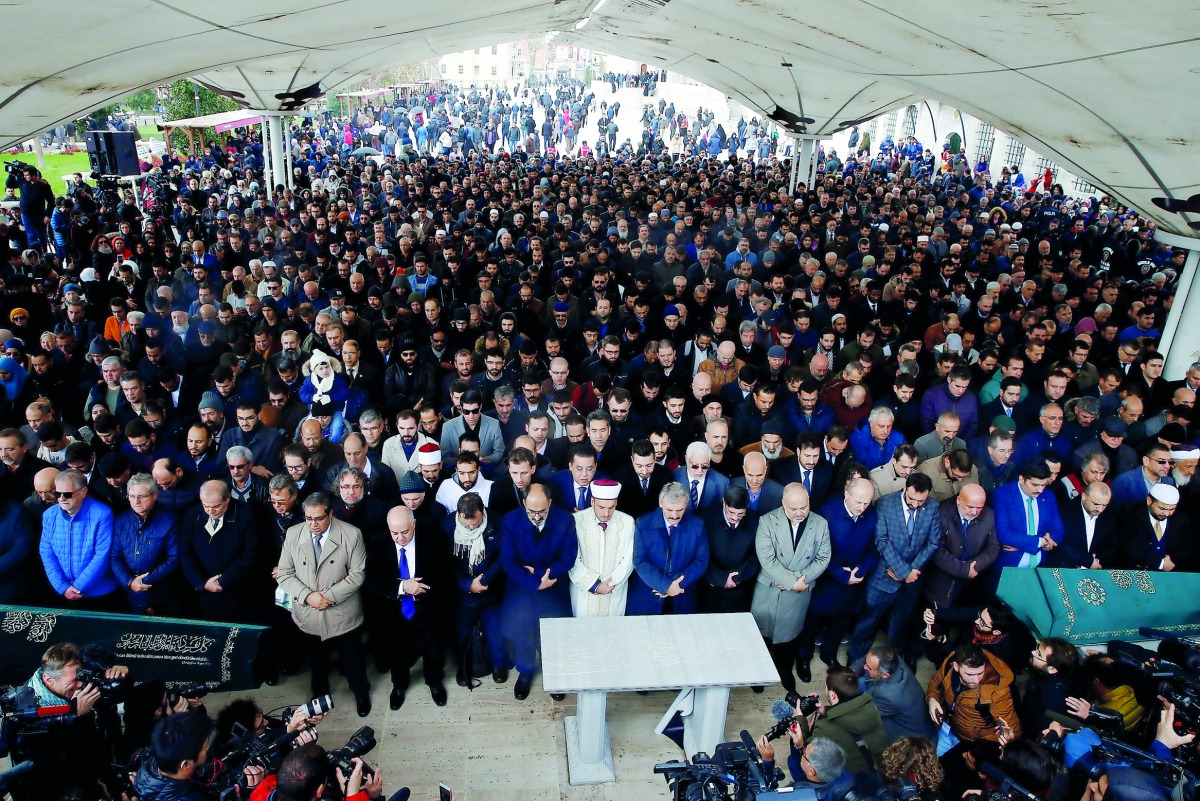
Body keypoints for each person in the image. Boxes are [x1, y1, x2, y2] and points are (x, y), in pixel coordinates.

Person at [276, 491, 372, 717]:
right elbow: (285, 573)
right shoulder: (293, 534)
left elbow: (357, 575)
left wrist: (328, 596)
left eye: (318, 518)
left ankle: (360, 693)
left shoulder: (351, 534)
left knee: (352, 660)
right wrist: (308, 596)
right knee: (317, 660)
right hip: (309, 612)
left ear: (330, 514)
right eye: (308, 518)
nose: (313, 524)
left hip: (342, 613)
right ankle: (319, 693)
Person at [847, 473, 940, 665]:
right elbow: (881, 540)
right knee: (869, 621)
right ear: (905, 488)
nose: (915, 504)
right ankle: (855, 658)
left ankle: (893, 662)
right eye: (912, 499)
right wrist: (903, 571)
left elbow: (933, 542)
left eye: (920, 501)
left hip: (912, 580)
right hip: (883, 578)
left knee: (900, 624)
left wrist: (910, 572)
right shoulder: (885, 504)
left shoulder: (933, 507)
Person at [751, 482, 831, 693]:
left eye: (804, 507)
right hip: (769, 589)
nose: (799, 513)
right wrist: (791, 581)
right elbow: (766, 558)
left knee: (789, 636)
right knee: (762, 635)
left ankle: (784, 670)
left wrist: (797, 581)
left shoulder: (820, 524)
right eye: (794, 508)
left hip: (799, 591)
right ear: (783, 504)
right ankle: (759, 672)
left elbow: (823, 558)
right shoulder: (767, 521)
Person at [500, 482, 577, 700]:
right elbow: (508, 561)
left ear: (550, 503)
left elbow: (568, 557)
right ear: (524, 502)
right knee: (523, 633)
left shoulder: (565, 520)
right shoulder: (510, 521)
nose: (536, 516)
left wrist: (542, 574)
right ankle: (525, 672)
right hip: (522, 587)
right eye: (531, 511)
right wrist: (535, 583)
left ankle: (553, 674)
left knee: (553, 635)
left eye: (542, 511)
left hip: (553, 586)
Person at [798, 478, 877, 680]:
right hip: (826, 581)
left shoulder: (872, 514)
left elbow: (874, 549)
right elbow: (816, 551)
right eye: (858, 502)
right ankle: (803, 657)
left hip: (854, 581)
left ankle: (829, 653)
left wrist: (860, 570)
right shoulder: (826, 513)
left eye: (866, 502)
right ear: (847, 494)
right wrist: (842, 574)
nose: (862, 507)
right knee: (812, 623)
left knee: (841, 621)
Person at [440, 492, 507, 686]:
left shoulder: (498, 522)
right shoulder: (446, 526)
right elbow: (445, 563)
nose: (471, 527)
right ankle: (463, 667)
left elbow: (503, 555)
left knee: (496, 631)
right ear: (459, 514)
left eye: (476, 523)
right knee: (462, 633)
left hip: (491, 588)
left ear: (482, 511)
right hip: (463, 593)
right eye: (467, 523)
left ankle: (498, 665)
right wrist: (467, 584)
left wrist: (484, 580)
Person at [628, 481, 711, 617]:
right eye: (669, 510)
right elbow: (640, 560)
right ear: (660, 503)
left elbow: (701, 561)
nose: (674, 515)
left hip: (683, 597)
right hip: (647, 597)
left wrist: (675, 586)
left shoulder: (697, 525)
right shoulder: (643, 523)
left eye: (680, 510)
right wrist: (665, 586)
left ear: (686, 505)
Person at [40, 468, 119, 608]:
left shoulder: (102, 514)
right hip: (64, 592)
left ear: (83, 492)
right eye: (57, 493)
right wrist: (62, 587)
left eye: (67, 494)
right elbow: (47, 553)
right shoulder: (49, 515)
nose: (61, 498)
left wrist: (77, 586)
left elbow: (102, 555)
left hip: (99, 594)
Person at [179, 479, 258, 620]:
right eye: (206, 506)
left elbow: (249, 554)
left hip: (235, 588)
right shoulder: (192, 514)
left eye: (216, 506)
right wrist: (201, 583)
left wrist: (223, 580)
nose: (210, 511)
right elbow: (185, 553)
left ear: (228, 498)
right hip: (201, 589)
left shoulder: (246, 514)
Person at [926, 642, 1021, 752]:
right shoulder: (950, 662)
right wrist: (932, 699)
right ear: (956, 666)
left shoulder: (997, 693)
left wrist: (979, 748)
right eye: (970, 674)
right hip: (948, 729)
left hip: (970, 745)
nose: (976, 680)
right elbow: (936, 683)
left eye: (980, 673)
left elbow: (1013, 731)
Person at [110, 472, 178, 614]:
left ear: (155, 495)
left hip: (161, 592)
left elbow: (173, 558)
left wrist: (144, 580)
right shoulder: (121, 520)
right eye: (132, 496)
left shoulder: (170, 520)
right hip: (129, 592)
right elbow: (114, 556)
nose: (136, 501)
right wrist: (129, 581)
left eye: (142, 496)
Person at [923, 484, 999, 610]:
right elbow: (936, 550)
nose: (974, 512)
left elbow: (993, 547)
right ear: (959, 500)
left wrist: (974, 566)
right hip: (940, 582)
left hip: (971, 583)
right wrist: (964, 570)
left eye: (979, 508)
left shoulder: (988, 515)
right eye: (970, 507)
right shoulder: (941, 513)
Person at [569, 478, 635, 618]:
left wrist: (611, 583)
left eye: (611, 507)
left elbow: (629, 559)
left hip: (614, 591)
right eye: (601, 507)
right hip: (584, 592)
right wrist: (594, 585)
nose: (606, 513)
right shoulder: (576, 520)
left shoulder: (628, 522)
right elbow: (572, 559)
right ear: (592, 501)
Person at [807, 665, 889, 773]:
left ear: (832, 695)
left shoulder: (824, 728)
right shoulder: (872, 707)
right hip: (878, 770)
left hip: (852, 778)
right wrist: (826, 711)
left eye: (826, 687)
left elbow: (808, 753)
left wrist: (801, 720)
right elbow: (848, 714)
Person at [699, 485, 761, 613]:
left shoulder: (756, 522)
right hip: (710, 587)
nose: (735, 518)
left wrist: (736, 578)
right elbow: (701, 554)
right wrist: (720, 578)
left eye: (741, 514)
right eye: (731, 512)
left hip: (740, 588)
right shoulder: (706, 518)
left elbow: (756, 556)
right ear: (724, 502)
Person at [858, 644, 933, 739]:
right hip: (913, 713)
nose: (865, 667)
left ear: (885, 675)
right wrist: (851, 670)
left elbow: (867, 714)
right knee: (860, 681)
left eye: (869, 668)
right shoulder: (891, 659)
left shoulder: (888, 695)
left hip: (911, 734)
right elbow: (868, 660)